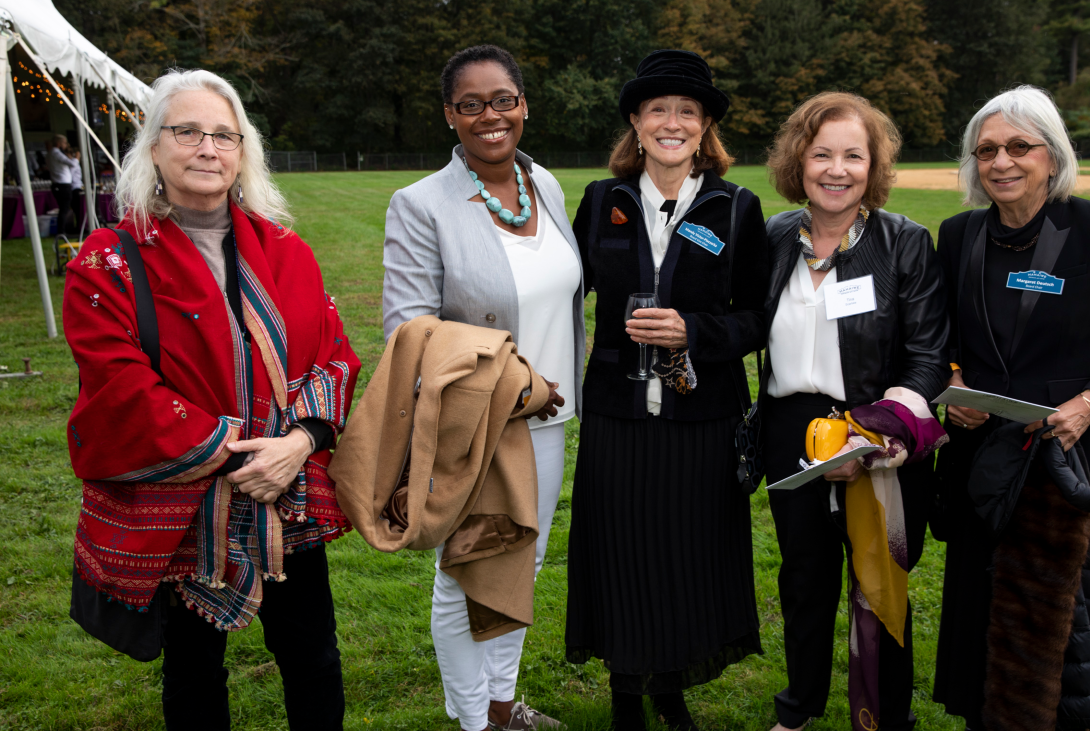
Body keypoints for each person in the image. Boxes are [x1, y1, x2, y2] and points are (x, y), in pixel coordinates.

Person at [64, 68, 361, 731]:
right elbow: (120, 385)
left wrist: (299, 444)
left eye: (224, 135)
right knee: (194, 669)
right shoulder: (108, 260)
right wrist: (243, 457)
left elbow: (336, 355)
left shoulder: (286, 251)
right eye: (188, 131)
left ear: (242, 151)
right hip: (186, 503)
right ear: (154, 147)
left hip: (285, 494)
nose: (207, 148)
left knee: (313, 656)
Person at [932, 85, 1090, 730]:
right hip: (980, 460)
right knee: (979, 616)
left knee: (1056, 622)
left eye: (1019, 147)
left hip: (1065, 458)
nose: (1001, 162)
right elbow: (940, 336)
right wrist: (954, 385)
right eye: (986, 151)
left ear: (1052, 155)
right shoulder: (959, 234)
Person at [381, 44, 584, 732]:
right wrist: (518, 384)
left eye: (502, 100)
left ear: (523, 104)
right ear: (449, 114)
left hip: (550, 424)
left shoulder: (543, 184)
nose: (489, 116)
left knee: (523, 565)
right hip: (479, 424)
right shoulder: (421, 204)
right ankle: (474, 722)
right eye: (471, 104)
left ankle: (503, 706)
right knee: (466, 571)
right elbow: (409, 332)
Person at [565, 49, 768, 731]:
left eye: (688, 111)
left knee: (686, 553)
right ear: (636, 120)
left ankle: (672, 687)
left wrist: (695, 332)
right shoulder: (602, 201)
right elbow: (560, 292)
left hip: (701, 415)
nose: (672, 123)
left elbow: (757, 317)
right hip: (616, 412)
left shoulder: (736, 207)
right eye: (659, 109)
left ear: (705, 125)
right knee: (620, 552)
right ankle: (627, 695)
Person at [759, 92, 950, 732]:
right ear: (798, 161)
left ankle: (886, 718)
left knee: (879, 583)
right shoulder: (775, 237)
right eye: (821, 155)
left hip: (878, 434)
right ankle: (798, 709)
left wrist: (869, 437)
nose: (836, 170)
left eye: (853, 156)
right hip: (793, 434)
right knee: (804, 579)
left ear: (874, 166)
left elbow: (929, 359)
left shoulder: (904, 243)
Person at [41, 134, 72, 234]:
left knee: (64, 208)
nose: (66, 145)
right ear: (59, 143)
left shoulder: (50, 153)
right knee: (64, 208)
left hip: (58, 183)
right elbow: (72, 163)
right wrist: (76, 158)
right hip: (62, 184)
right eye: (64, 143)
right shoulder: (56, 153)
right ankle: (62, 231)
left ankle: (63, 230)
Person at [67, 147, 83, 234]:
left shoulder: (73, 163)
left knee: (77, 209)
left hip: (76, 187)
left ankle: (79, 227)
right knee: (77, 209)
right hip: (74, 187)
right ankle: (78, 227)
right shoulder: (73, 163)